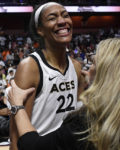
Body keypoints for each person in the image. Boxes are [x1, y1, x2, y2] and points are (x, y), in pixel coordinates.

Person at [8, 34, 120, 150]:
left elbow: (33, 147)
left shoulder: (86, 125)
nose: (85, 70)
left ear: (105, 75)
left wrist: (17, 106)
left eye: (93, 63)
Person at [9, 2, 83, 150]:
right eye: (52, 18)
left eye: (65, 15)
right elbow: (16, 134)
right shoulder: (30, 66)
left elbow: (77, 120)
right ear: (40, 30)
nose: (62, 21)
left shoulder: (76, 67)